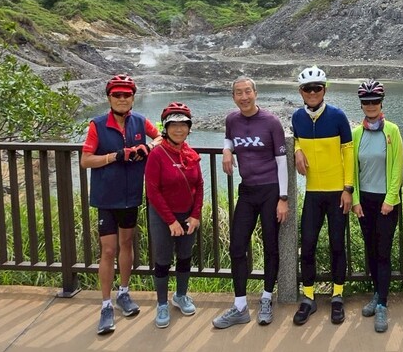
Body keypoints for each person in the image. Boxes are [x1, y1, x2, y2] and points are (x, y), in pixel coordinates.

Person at [80, 74, 162, 335]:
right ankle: (105, 305)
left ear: (133, 97)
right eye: (117, 95)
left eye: (127, 94)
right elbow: (86, 160)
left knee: (126, 244)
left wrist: (147, 147)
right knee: (107, 250)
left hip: (130, 195)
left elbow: (161, 136)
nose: (122, 98)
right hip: (106, 196)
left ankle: (124, 292)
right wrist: (116, 156)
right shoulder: (98, 124)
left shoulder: (139, 121)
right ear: (109, 97)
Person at [213, 76, 288, 329]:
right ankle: (241, 305)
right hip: (246, 191)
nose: (244, 97)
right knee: (237, 247)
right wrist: (226, 149)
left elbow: (281, 163)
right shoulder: (232, 119)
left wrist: (283, 198)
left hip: (270, 191)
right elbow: (228, 137)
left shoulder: (271, 122)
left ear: (256, 93)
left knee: (270, 246)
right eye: (238, 93)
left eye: (248, 92)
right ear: (233, 97)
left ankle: (267, 298)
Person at [291, 66, 354, 326]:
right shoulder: (297, 118)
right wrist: (296, 150)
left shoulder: (338, 116)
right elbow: (295, 139)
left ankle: (337, 295)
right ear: (301, 92)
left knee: (337, 244)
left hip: (337, 191)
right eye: (308, 89)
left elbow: (348, 152)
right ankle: (308, 296)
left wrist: (348, 188)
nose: (313, 92)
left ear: (325, 90)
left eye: (317, 88)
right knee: (308, 243)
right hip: (313, 193)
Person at [351, 80, 403, 333]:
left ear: (381, 103)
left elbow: (396, 166)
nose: (370, 106)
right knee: (371, 250)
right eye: (366, 102)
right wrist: (356, 200)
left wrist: (390, 199)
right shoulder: (356, 134)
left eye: (374, 101)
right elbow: (353, 169)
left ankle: (382, 304)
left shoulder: (392, 131)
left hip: (387, 202)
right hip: (365, 203)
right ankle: (376, 293)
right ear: (361, 105)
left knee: (383, 251)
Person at [145, 102, 204, 328]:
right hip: (163, 216)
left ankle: (180, 295)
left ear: (189, 128)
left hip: (188, 215)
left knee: (185, 256)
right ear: (165, 128)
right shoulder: (157, 155)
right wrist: (170, 221)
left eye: (183, 125)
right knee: (162, 260)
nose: (178, 129)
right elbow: (153, 191)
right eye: (173, 125)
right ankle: (161, 303)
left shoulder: (190, 154)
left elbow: (199, 185)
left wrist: (195, 215)